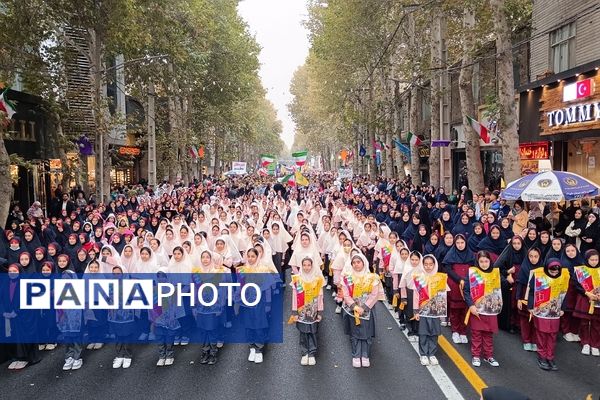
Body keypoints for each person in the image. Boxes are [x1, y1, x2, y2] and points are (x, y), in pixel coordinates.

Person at [528, 259, 570, 371]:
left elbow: (565, 293)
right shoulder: (538, 276)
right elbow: (532, 292)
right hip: (541, 311)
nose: (554, 272)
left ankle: (550, 356)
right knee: (542, 334)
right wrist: (530, 307)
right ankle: (542, 356)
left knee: (552, 334)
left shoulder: (563, 277)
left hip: (555, 311)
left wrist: (563, 309)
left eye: (557, 270)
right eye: (552, 270)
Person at [341, 253, 382, 368]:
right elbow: (346, 294)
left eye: (358, 262)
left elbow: (374, 294)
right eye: (353, 263)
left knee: (366, 333)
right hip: (353, 311)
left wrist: (364, 307)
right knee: (355, 334)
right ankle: (356, 355)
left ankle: (365, 355)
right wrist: (355, 306)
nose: (356, 265)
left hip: (367, 310)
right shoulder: (347, 277)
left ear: (363, 262)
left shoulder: (372, 277)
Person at [464, 251, 503, 368]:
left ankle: (488, 355)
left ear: (490, 261)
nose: (484, 264)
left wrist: (508, 279)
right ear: (477, 262)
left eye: (486, 261)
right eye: (481, 261)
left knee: (488, 333)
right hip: (477, 308)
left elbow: (501, 286)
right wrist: (471, 305)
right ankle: (476, 355)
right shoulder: (472, 273)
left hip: (490, 309)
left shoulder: (495, 273)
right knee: (476, 333)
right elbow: (466, 291)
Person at [411, 254, 448, 366]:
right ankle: (423, 354)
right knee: (423, 333)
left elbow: (443, 295)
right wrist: (416, 311)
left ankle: (431, 354)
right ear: (422, 265)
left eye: (430, 264)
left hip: (435, 311)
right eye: (425, 264)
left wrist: (442, 313)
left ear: (434, 265)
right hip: (423, 311)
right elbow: (416, 295)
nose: (428, 267)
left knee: (434, 333)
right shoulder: (419, 278)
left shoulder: (440, 278)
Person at [290, 257, 324, 366]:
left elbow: (320, 296)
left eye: (309, 265)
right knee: (303, 332)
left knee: (313, 331)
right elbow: (295, 296)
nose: (306, 267)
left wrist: (319, 311)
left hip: (313, 310)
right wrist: (295, 312)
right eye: (304, 265)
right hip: (301, 310)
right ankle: (304, 352)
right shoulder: (297, 279)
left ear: (312, 266)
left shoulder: (317, 279)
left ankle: (312, 353)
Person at [442, 234, 474, 344]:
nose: (460, 245)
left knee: (465, 309)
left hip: (468, 285)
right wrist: (459, 279)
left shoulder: (471, 255)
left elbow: (474, 269)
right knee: (455, 310)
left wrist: (467, 281)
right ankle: (455, 331)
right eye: (458, 243)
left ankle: (463, 331)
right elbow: (448, 269)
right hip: (455, 284)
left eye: (462, 243)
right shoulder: (451, 254)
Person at [573, 249, 600, 356]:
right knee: (584, 322)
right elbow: (576, 284)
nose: (594, 262)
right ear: (587, 259)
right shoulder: (581, 270)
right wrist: (587, 293)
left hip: (598, 300)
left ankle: (595, 345)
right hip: (585, 298)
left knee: (597, 323)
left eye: (596, 259)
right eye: (591, 259)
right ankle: (585, 343)